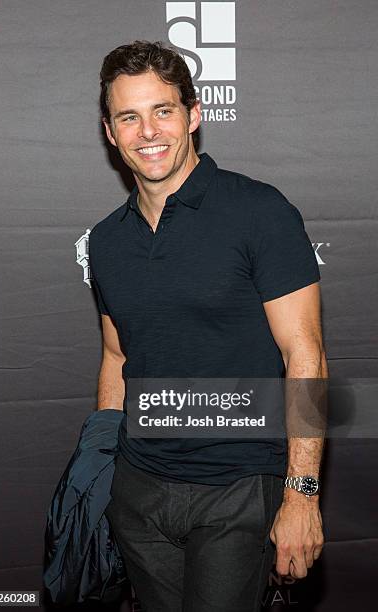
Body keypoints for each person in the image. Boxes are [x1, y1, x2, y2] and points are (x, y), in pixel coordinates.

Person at [89, 40, 328, 612]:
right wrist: (99, 473)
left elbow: (306, 357)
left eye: (162, 111)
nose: (148, 131)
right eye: (129, 116)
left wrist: (302, 495)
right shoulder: (106, 240)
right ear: (110, 131)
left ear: (194, 116)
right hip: (140, 493)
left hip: (238, 490)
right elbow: (118, 359)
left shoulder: (260, 211)